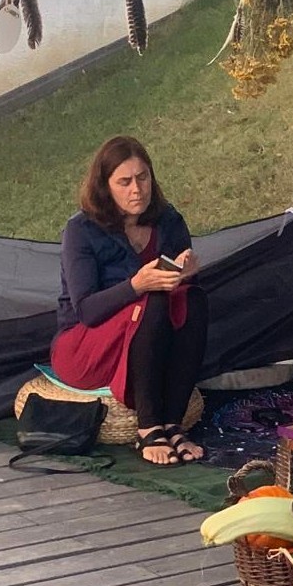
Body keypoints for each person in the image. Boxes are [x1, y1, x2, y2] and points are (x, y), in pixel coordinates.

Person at [51, 136, 209, 467]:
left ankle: (173, 424)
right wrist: (136, 285)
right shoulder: (81, 230)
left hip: (150, 336)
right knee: (150, 301)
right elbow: (87, 310)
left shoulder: (169, 220)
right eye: (124, 182)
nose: (137, 189)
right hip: (85, 344)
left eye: (142, 177)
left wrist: (186, 275)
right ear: (105, 186)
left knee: (192, 298)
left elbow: (178, 302)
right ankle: (148, 428)